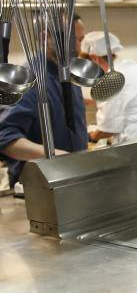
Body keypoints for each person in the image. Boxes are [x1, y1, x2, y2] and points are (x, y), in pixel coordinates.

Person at [0, 17, 87, 187]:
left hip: (73, 179)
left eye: (80, 39)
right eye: (71, 39)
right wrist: (56, 155)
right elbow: (6, 138)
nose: (77, 46)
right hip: (40, 188)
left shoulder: (68, 74)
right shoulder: (26, 80)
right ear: (45, 38)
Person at [81, 31, 137, 145]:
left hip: (136, 140)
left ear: (94, 58)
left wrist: (90, 137)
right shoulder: (132, 66)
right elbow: (128, 99)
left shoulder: (109, 79)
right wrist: (94, 101)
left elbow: (107, 129)